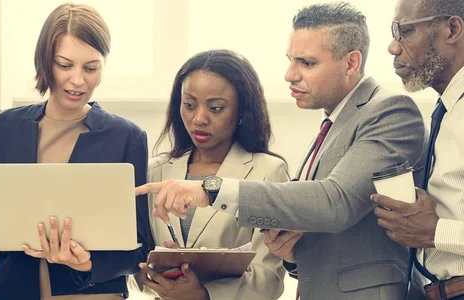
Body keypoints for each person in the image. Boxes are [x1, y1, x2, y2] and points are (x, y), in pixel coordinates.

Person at [135, 2, 427, 299]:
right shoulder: (334, 124)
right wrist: (290, 254)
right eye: (290, 60)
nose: (290, 75)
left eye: (307, 63)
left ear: (351, 63)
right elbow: (334, 239)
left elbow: (336, 202)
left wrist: (212, 190)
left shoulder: (389, 111)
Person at [0, 3, 153, 300]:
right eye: (64, 65)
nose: (78, 81)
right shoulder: (6, 126)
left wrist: (88, 262)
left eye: (91, 68)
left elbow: (140, 248)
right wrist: (21, 231)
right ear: (45, 62)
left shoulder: (127, 137)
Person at [131, 49, 287, 300]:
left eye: (215, 108)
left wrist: (205, 293)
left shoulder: (267, 172)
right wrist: (156, 272)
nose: (199, 119)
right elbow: (134, 272)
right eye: (189, 105)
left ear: (242, 112)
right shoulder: (155, 171)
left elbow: (270, 279)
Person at [371, 0, 464, 298]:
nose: (393, 47)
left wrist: (436, 232)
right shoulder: (449, 110)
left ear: (452, 29)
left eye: (405, 31)